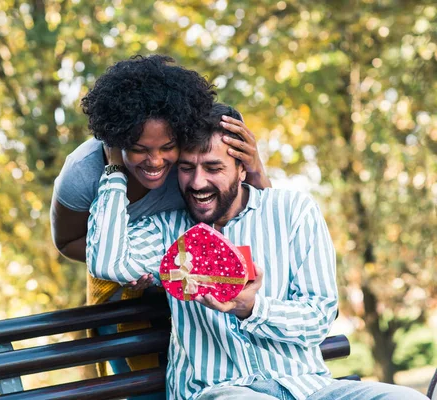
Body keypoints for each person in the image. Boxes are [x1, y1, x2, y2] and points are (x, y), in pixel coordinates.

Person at [86, 104, 428, 400]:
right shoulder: (167, 232)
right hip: (217, 390)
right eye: (187, 168)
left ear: (241, 167)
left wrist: (253, 308)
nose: (197, 182)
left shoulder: (292, 211)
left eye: (214, 168)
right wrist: (115, 166)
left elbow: (318, 318)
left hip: (307, 388)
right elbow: (107, 262)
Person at [50, 55, 272, 392]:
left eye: (167, 147)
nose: (155, 162)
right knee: (146, 388)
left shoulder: (191, 163)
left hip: (199, 291)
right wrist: (141, 263)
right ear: (116, 139)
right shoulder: (82, 173)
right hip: (125, 300)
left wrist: (254, 168)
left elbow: (262, 218)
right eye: (139, 149)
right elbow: (67, 242)